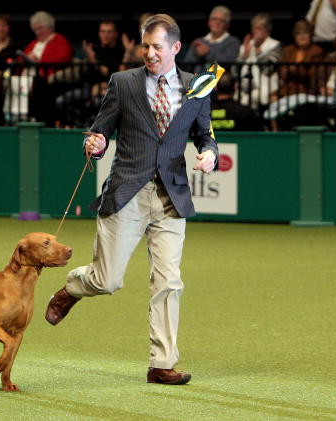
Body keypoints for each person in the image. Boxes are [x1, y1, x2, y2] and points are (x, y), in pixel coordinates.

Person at [45, 14, 218, 385]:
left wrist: (210, 155)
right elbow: (99, 130)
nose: (150, 53)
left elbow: (206, 136)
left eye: (158, 47)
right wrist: (95, 143)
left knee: (169, 281)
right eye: (145, 46)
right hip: (127, 192)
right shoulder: (122, 83)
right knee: (106, 281)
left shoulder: (196, 88)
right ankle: (73, 288)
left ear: (175, 48)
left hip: (172, 195)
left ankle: (161, 363)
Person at [53, 20, 125, 127]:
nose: (106, 35)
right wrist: (87, 61)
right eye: (103, 32)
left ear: (115, 34)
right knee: (60, 101)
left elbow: (113, 75)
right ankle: (85, 123)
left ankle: (93, 124)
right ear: (99, 34)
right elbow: (83, 75)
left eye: (109, 32)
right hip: (88, 88)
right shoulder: (94, 50)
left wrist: (93, 61)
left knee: (99, 102)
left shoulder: (120, 52)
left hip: (108, 90)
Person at [235, 13, 281, 109]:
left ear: (267, 30)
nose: (255, 32)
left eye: (259, 29)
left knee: (246, 101)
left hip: (266, 88)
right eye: (254, 28)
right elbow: (234, 71)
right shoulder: (246, 46)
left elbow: (268, 69)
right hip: (244, 88)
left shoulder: (275, 45)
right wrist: (244, 56)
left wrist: (258, 53)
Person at [182, 5, 240, 72]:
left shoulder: (232, 42)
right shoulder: (199, 41)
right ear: (209, 22)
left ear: (227, 25)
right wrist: (196, 54)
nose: (217, 22)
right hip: (194, 79)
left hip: (217, 80)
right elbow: (185, 66)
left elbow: (226, 64)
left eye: (221, 21)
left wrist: (207, 52)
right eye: (214, 19)